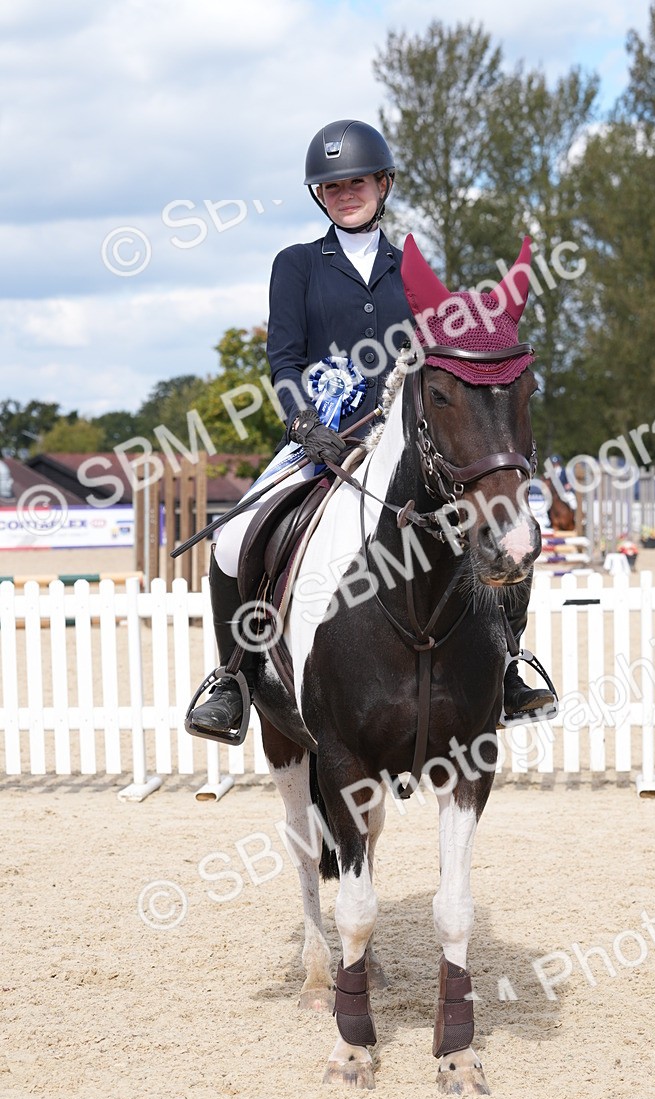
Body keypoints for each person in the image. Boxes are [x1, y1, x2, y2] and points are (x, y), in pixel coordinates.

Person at [187, 118, 556, 739]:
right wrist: (302, 423)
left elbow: (441, 362)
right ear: (319, 196)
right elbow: (284, 361)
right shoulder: (297, 265)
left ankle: (510, 663)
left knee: (502, 522)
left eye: (357, 182)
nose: (345, 194)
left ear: (383, 185)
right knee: (231, 539)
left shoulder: (412, 269)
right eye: (332, 187)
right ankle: (235, 679)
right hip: (319, 440)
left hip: (403, 444)